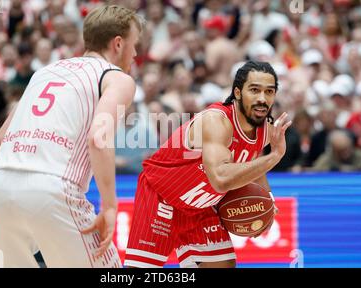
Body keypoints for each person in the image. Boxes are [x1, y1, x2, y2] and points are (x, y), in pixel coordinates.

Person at [0, 5, 143, 268]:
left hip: (2, 188)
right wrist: (109, 206)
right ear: (118, 44)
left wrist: (18, 195)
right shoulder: (118, 79)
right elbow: (98, 137)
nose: (136, 53)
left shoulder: (43, 73)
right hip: (54, 190)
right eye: (134, 44)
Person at [124, 61, 292, 268]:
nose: (262, 98)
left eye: (269, 91)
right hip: (162, 196)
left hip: (200, 207)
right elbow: (221, 179)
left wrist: (268, 203)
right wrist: (275, 156)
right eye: (254, 90)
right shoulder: (217, 121)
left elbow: (253, 163)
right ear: (238, 93)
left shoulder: (266, 130)